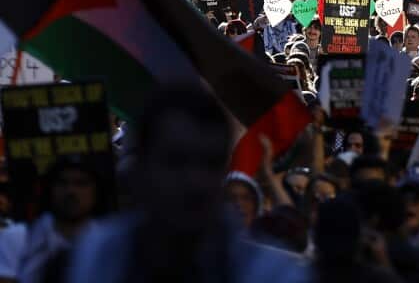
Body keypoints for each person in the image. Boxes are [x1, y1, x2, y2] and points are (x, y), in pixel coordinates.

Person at [64, 86, 308, 283]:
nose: (195, 181)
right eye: (176, 161)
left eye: (209, 163)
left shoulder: (269, 272)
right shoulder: (93, 259)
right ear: (143, 168)